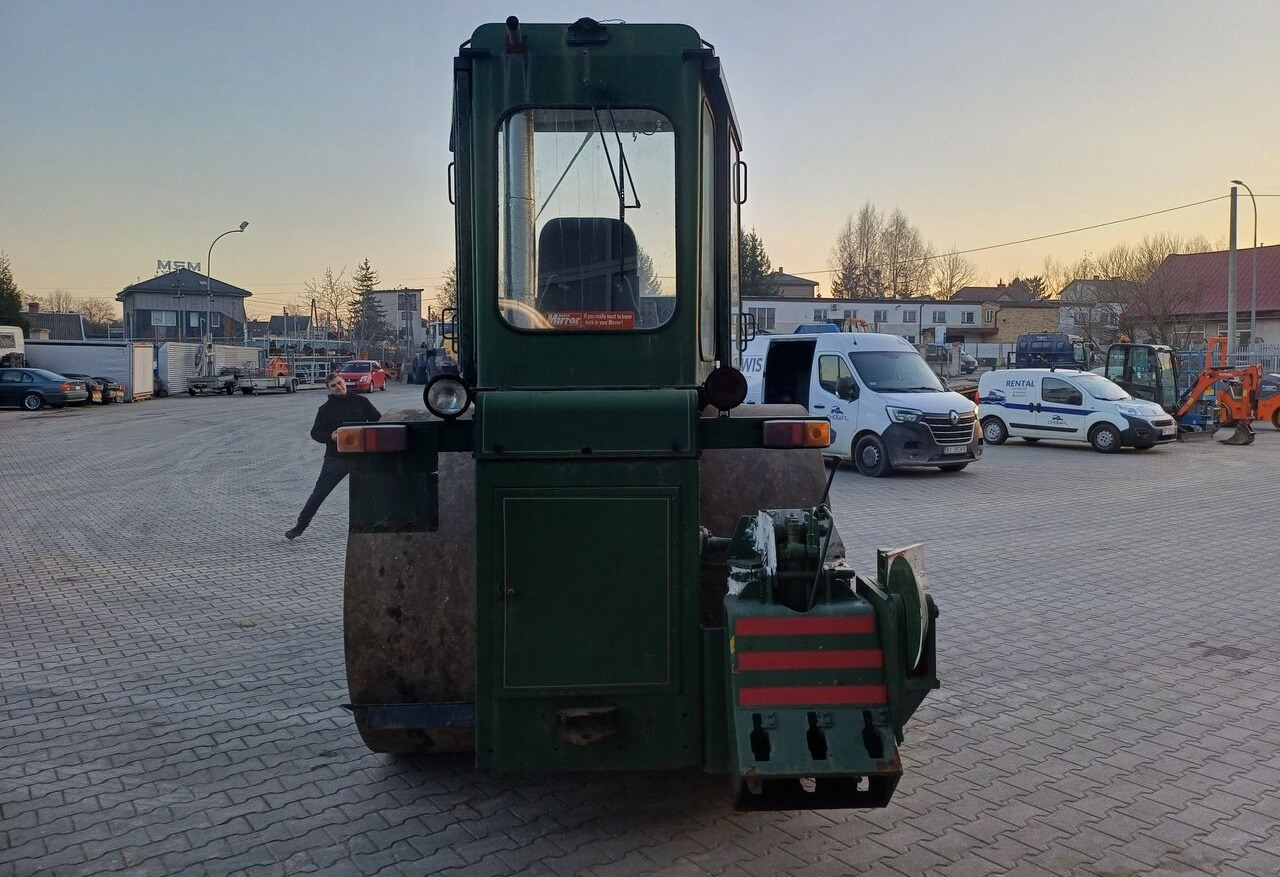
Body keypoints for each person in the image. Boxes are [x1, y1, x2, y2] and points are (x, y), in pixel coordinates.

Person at [286, 373, 381, 540]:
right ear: (329, 389)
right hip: (337, 457)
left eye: (339, 383)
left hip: (362, 457)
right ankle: (300, 526)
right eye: (333, 386)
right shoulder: (325, 409)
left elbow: (379, 421)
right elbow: (315, 433)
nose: (338, 387)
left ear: (344, 382)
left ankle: (378, 523)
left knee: (375, 489)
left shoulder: (361, 402)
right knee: (319, 493)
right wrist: (330, 436)